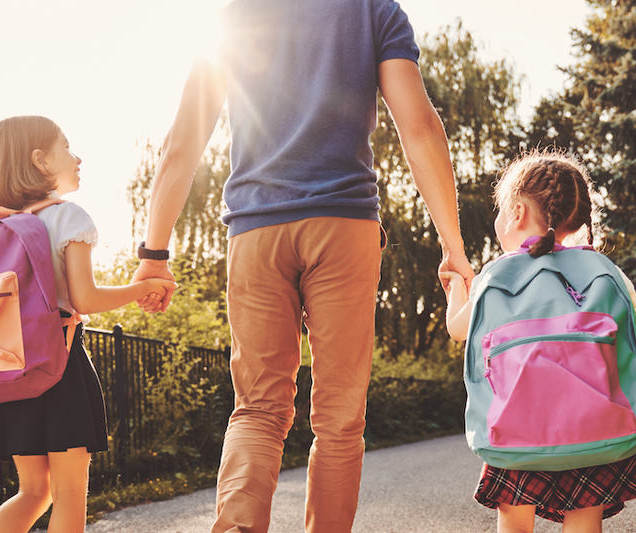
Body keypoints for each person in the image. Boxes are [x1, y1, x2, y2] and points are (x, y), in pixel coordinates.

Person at [130, 1, 474, 531]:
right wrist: (453, 245)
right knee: (339, 419)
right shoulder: (372, 10)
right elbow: (420, 126)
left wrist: (154, 256)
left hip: (256, 231)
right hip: (344, 227)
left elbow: (183, 143)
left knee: (258, 409)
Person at [0, 115, 176, 533]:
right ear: (40, 161)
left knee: (33, 492)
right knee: (69, 493)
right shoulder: (67, 217)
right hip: (58, 367)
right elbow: (85, 299)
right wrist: (144, 286)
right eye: (67, 147)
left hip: (8, 369)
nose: (78, 158)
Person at [442, 150, 636, 533]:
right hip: (594, 432)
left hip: (516, 436)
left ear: (516, 212)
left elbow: (457, 329)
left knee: (515, 524)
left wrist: (454, 287)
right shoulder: (603, 271)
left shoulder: (496, 275)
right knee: (584, 524)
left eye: (499, 210)